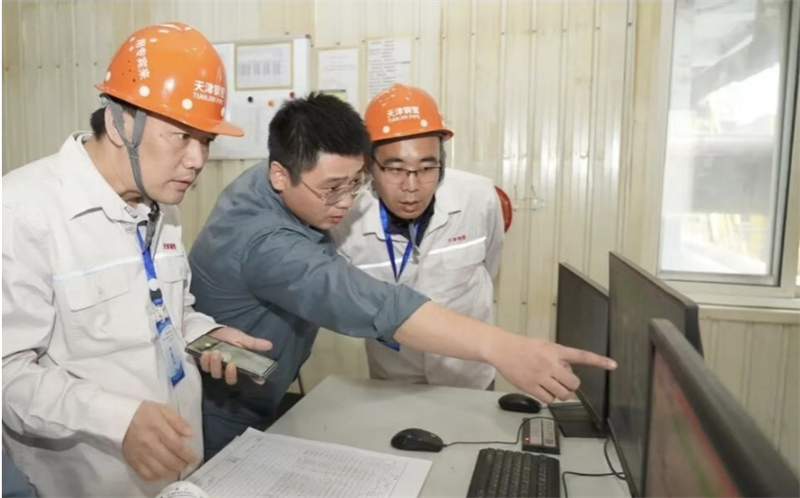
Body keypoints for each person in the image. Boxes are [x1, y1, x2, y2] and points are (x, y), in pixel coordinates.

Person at [189, 92, 616, 460]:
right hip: (224, 407)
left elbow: (489, 265)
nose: (346, 202)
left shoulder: (287, 176)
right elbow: (371, 302)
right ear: (280, 174)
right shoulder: (267, 242)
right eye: (333, 188)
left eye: (356, 183)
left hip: (261, 382)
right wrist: (504, 347)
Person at [2, 22, 271, 498]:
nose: (197, 160)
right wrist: (118, 419)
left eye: (206, 140)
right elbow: (8, 376)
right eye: (182, 136)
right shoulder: (22, 210)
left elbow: (166, 312)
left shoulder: (160, 203)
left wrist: (206, 335)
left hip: (178, 473)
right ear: (120, 123)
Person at [331, 84, 503, 390]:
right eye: (395, 169)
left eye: (426, 167)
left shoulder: (478, 197)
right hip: (394, 381)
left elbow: (490, 265)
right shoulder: (346, 222)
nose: (411, 186)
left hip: (469, 377)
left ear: (442, 162)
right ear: (369, 167)